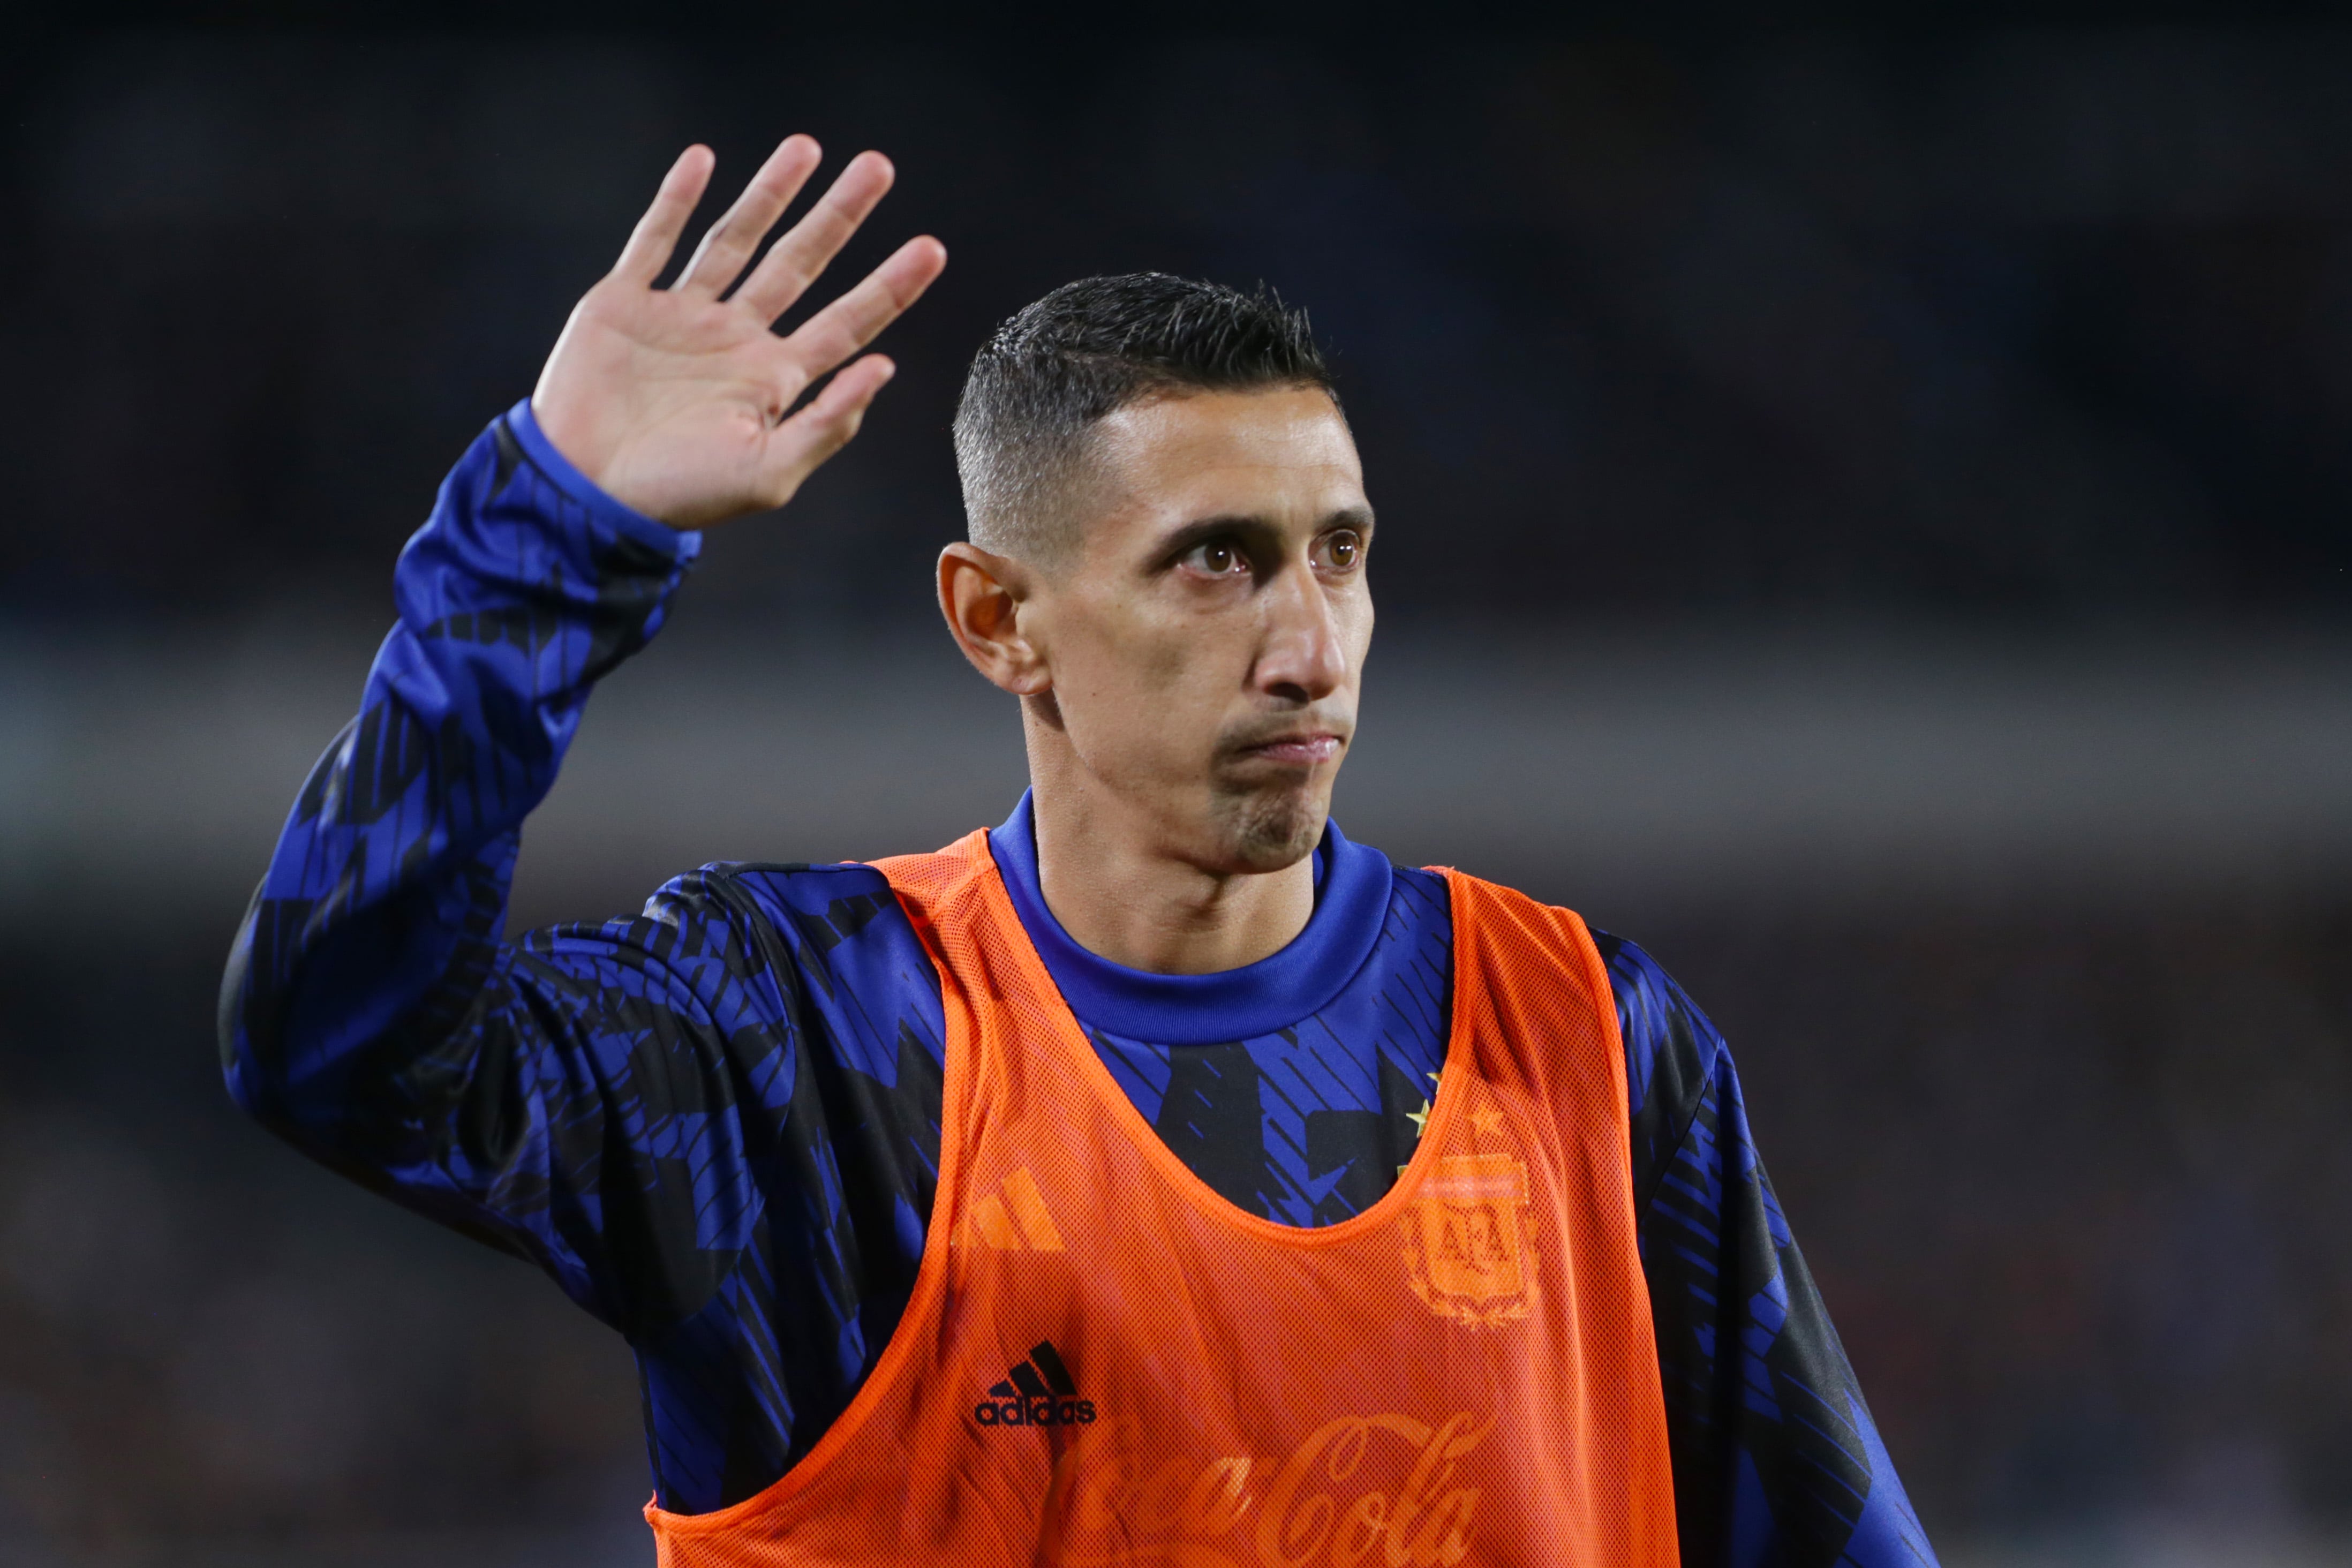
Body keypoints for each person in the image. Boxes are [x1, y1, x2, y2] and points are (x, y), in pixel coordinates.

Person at [220, 134, 1939, 1568]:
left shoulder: (1589, 1045)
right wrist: (551, 537)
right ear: (998, 623)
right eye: (1215, 562)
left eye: (1337, 553)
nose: (1310, 646)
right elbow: (333, 1048)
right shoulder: (803, 1047)